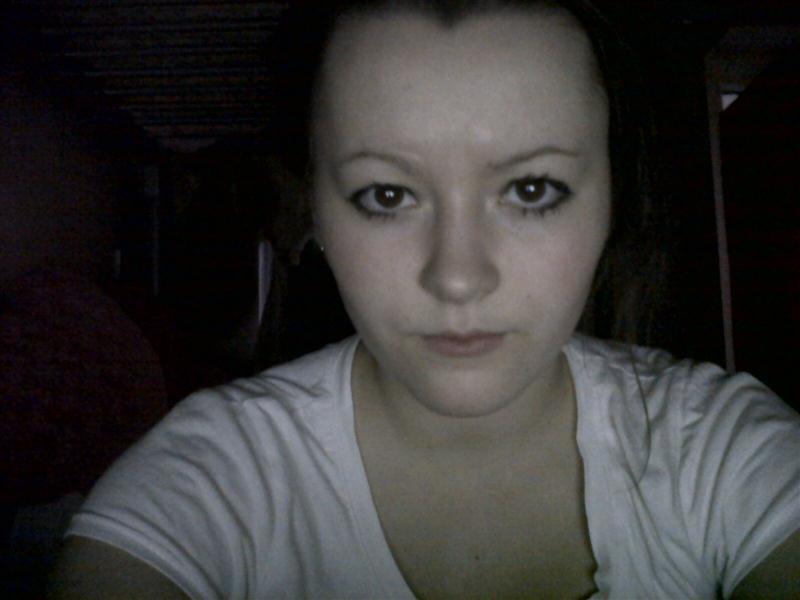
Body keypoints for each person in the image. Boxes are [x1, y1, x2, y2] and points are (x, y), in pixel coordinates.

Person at [50, 0, 800, 598]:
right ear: (316, 212)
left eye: (531, 189)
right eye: (387, 194)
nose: (458, 278)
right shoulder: (207, 485)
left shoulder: (723, 452)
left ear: (610, 202)